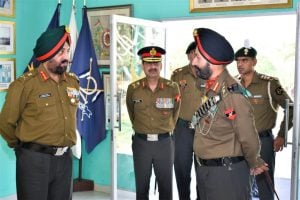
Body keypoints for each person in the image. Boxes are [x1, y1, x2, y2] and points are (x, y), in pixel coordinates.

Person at [0, 25, 79, 200]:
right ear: (47, 55)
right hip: (34, 160)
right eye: (60, 53)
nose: (66, 57)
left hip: (65, 160)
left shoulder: (72, 82)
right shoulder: (25, 85)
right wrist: (21, 146)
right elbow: (5, 123)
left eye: (67, 51)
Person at [190, 27, 269, 200]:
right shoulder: (212, 87)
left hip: (226, 176)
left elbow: (247, 135)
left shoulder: (232, 94)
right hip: (208, 172)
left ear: (212, 61)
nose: (193, 62)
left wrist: (255, 161)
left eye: (197, 57)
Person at [234, 45, 293, 200]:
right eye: (238, 61)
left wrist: (281, 135)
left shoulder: (269, 84)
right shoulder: (232, 84)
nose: (240, 64)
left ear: (254, 61)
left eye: (245, 60)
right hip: (237, 142)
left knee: (264, 184)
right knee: (238, 184)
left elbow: (291, 108)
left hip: (262, 141)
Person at [126, 46, 181, 200]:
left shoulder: (172, 88)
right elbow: (132, 114)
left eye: (156, 63)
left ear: (161, 65)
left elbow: (175, 113)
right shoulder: (133, 89)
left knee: (166, 187)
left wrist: (165, 128)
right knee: (141, 187)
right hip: (141, 143)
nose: (152, 67)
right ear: (143, 65)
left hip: (164, 143)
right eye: (148, 63)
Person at [171, 41, 204, 200]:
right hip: (182, 128)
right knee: (181, 168)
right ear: (188, 55)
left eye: (196, 53)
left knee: (203, 169)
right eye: (191, 53)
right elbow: (170, 101)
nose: (193, 56)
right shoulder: (178, 75)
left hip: (204, 130)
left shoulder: (209, 73)